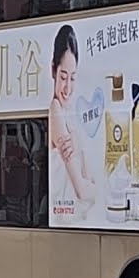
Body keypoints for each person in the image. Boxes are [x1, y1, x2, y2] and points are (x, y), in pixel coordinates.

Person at [48, 25, 96, 214]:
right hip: (65, 221)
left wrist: (76, 142)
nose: (67, 88)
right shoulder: (55, 110)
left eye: (73, 79)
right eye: (63, 77)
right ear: (53, 70)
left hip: (75, 220)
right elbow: (83, 191)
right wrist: (101, 191)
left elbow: (87, 177)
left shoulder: (70, 117)